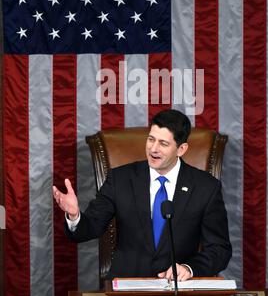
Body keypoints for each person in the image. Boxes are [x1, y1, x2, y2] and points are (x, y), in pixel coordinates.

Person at [53, 109, 232, 282]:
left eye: (163, 143)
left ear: (181, 149)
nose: (153, 149)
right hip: (127, 288)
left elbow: (219, 249)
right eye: (151, 139)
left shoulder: (205, 187)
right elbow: (90, 227)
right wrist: (74, 215)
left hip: (178, 288)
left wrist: (189, 268)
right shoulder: (120, 179)